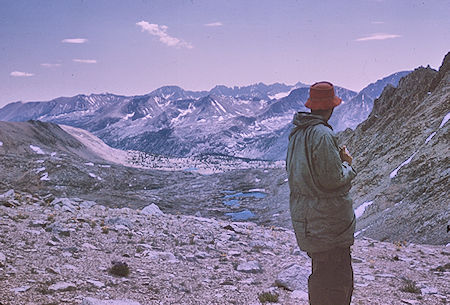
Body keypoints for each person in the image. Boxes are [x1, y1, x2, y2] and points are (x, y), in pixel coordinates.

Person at [286, 81, 356, 305]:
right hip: (329, 225)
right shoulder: (323, 135)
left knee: (321, 277)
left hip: (309, 222)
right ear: (331, 107)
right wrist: (347, 165)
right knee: (337, 282)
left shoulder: (297, 134)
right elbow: (333, 180)